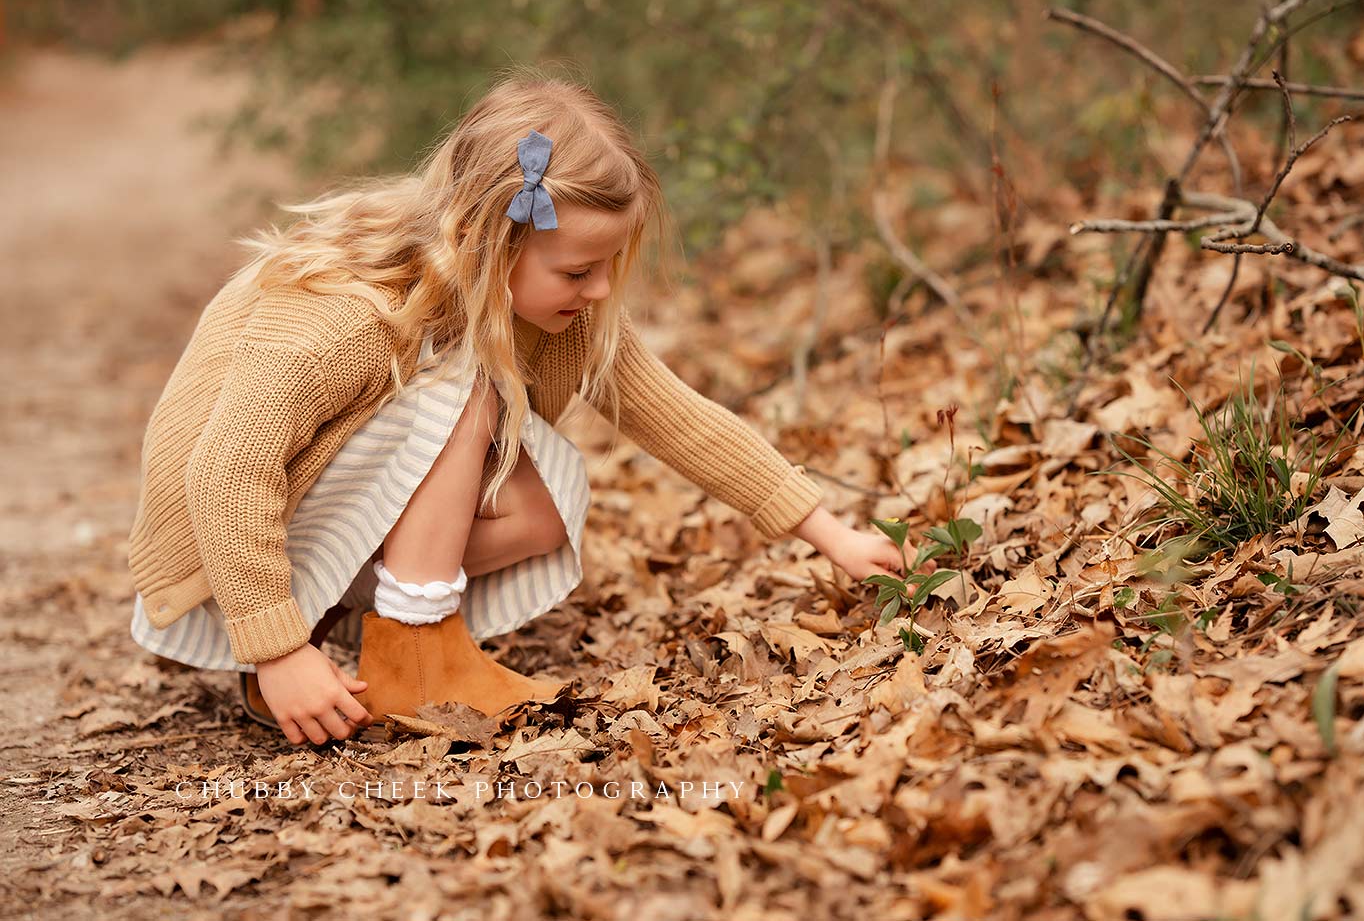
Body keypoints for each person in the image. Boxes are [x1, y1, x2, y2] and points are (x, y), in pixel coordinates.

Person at [127, 68, 935, 747]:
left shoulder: (558, 317)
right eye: (579, 269)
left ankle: (374, 643)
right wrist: (275, 647)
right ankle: (399, 653)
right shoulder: (349, 315)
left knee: (545, 505)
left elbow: (683, 421)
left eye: (611, 264)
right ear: (486, 241)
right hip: (219, 541)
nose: (601, 289)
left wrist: (827, 531)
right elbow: (226, 471)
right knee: (470, 391)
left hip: (294, 523)